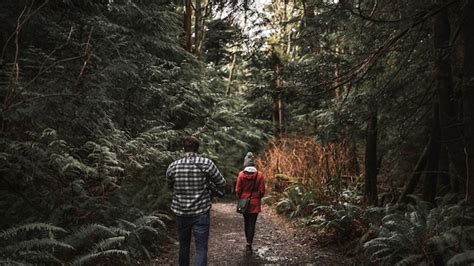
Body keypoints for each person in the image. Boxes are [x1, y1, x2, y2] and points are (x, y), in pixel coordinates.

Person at [166, 136, 226, 266]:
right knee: (201, 248)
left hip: (181, 212)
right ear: (197, 149)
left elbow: (170, 187)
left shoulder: (173, 166)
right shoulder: (206, 163)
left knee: (184, 246)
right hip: (201, 212)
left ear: (183, 149)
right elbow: (221, 182)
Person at [235, 152, 265, 251]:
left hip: (244, 202)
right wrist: (257, 197)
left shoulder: (241, 175)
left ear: (245, 163)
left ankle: (247, 240)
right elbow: (262, 191)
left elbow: (237, 190)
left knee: (246, 222)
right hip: (255, 203)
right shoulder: (259, 175)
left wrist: (241, 198)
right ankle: (249, 243)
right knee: (252, 223)